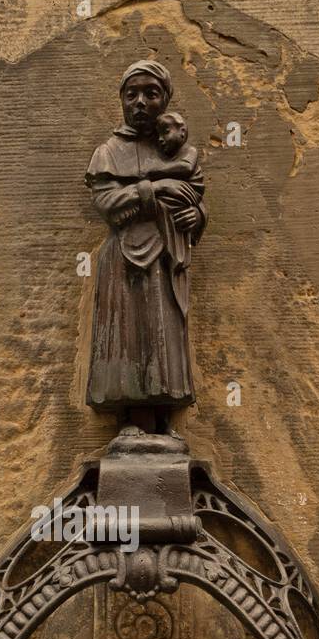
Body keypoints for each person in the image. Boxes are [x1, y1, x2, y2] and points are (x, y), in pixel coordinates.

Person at [85, 61, 207, 418]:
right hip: (124, 260)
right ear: (121, 99)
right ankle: (128, 417)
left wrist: (197, 217)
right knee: (126, 336)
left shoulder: (176, 150)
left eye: (151, 94)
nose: (140, 102)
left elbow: (196, 198)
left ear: (165, 101)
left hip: (167, 257)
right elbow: (108, 203)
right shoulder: (109, 151)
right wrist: (154, 189)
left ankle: (164, 416)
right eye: (131, 94)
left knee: (165, 335)